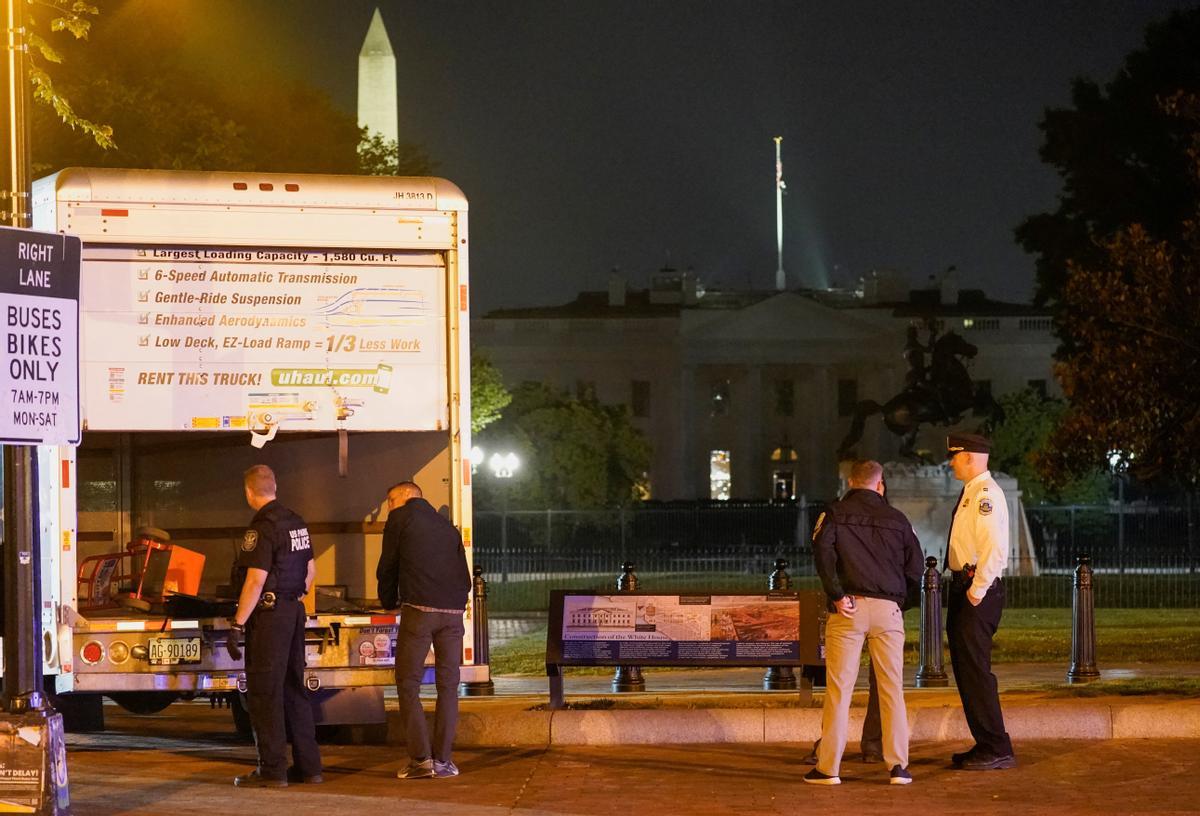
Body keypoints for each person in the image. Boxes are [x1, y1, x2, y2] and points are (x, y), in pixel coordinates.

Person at [805, 460, 924, 786]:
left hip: (849, 609)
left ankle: (829, 767)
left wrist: (836, 594)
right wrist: (899, 602)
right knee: (891, 690)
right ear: (880, 484)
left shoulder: (834, 513)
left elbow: (822, 552)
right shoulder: (898, 520)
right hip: (887, 609)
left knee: (839, 691)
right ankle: (898, 766)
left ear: (851, 481)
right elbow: (916, 569)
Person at [229, 464, 322, 788]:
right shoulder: (296, 522)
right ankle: (310, 768)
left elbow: (255, 581)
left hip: (269, 618)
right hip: (294, 611)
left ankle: (272, 770)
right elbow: (311, 573)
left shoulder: (262, 528)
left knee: (265, 693)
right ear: (275, 486)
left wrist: (238, 624)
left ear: (249, 492)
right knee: (294, 689)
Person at [377, 481, 472, 780]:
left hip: (419, 612)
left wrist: (389, 601)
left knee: (408, 683)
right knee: (448, 687)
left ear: (405, 497)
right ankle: (444, 761)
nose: (388, 507)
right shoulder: (448, 527)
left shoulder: (400, 519)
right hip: (454, 615)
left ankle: (420, 760)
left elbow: (388, 566)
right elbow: (466, 577)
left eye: (390, 500)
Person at [945, 432, 1016, 770]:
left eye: (955, 456)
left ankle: (996, 746)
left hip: (976, 591)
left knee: (976, 673)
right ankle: (986, 743)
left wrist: (976, 591)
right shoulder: (973, 492)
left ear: (970, 457)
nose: (951, 462)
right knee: (968, 672)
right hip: (966, 589)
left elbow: (994, 550)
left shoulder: (985, 494)